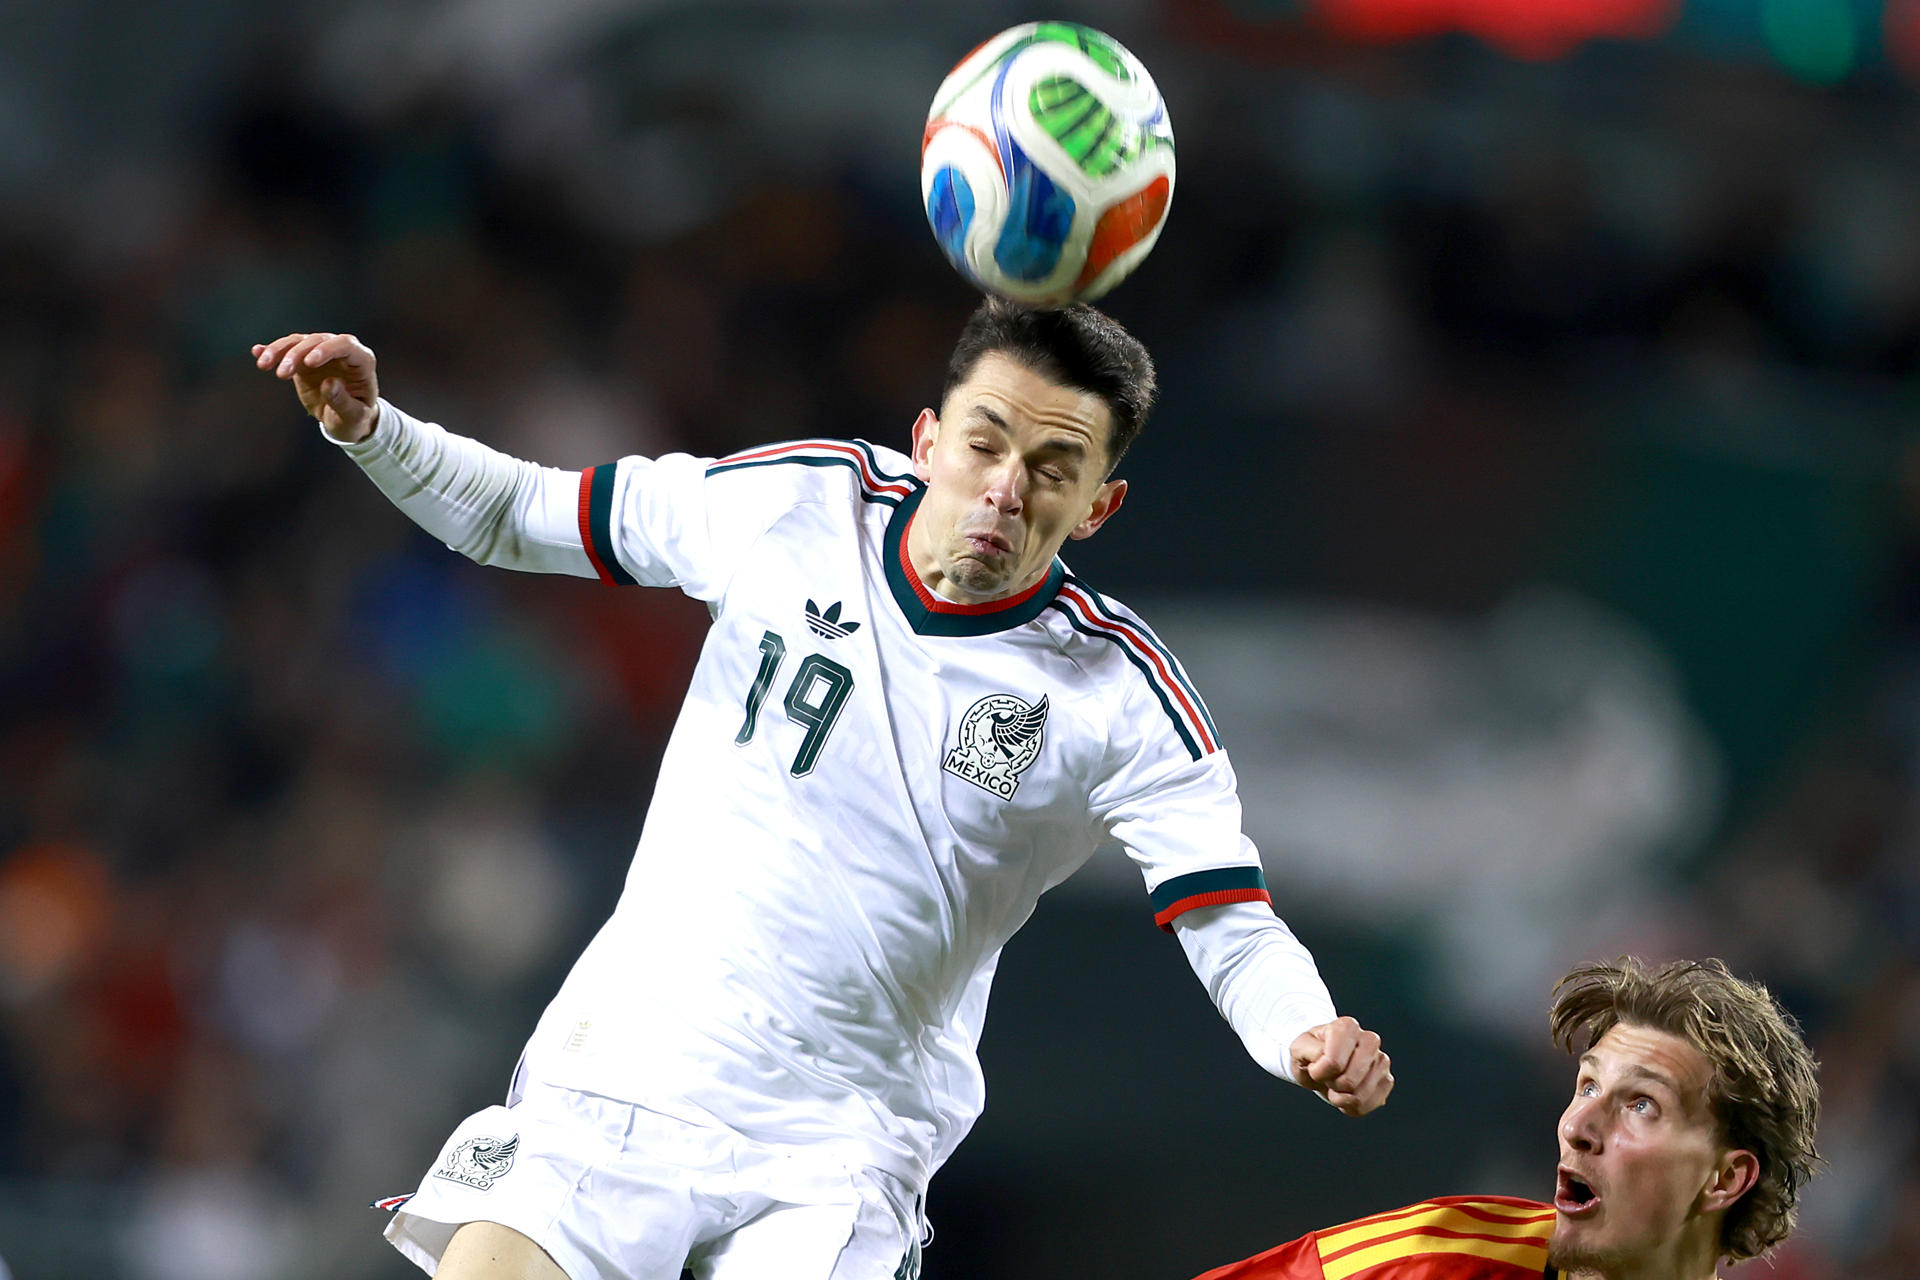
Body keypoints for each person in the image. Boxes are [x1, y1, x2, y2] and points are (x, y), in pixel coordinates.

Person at [252, 299, 1394, 1280]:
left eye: (1054, 471)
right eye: (985, 444)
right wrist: (374, 430)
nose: (1006, 490)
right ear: (929, 438)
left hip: (838, 1146)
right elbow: (523, 511)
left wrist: (1305, 1029)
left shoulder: (1121, 694)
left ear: (1099, 506)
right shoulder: (798, 503)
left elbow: (1225, 920)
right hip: (625, 1069)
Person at [1191, 956, 1821, 1280]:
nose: (1576, 1128)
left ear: (1725, 1179)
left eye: (1640, 1105)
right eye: (1587, 1085)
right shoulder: (1432, 1261)